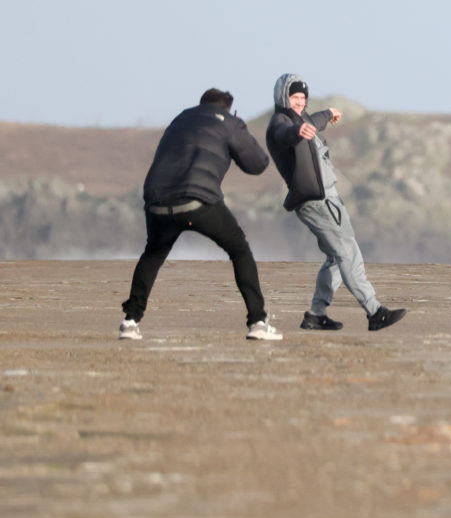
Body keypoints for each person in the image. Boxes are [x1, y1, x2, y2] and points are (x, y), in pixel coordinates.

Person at [121, 88, 279, 341]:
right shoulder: (228, 122)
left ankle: (130, 321)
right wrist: (238, 135)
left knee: (153, 253)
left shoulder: (180, 119)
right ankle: (258, 322)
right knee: (239, 250)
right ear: (226, 107)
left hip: (157, 201)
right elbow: (257, 164)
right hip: (198, 200)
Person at [265, 74, 405, 332]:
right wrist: (298, 131)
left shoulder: (304, 117)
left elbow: (313, 120)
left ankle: (316, 315)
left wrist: (328, 113)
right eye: (294, 97)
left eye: (302, 98)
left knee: (336, 257)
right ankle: (374, 311)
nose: (298, 102)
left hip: (329, 197)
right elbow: (284, 134)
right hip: (316, 201)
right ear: (283, 97)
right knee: (347, 253)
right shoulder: (280, 123)